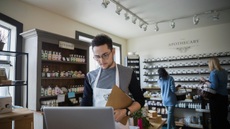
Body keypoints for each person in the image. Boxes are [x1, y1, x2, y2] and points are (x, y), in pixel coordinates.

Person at [81, 34, 144, 129]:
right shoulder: (91, 76)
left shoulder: (128, 73)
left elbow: (140, 100)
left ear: (113, 51)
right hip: (96, 125)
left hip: (119, 126)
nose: (101, 60)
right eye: (97, 57)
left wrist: (126, 111)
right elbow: (85, 105)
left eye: (105, 55)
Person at [200, 57, 230, 129]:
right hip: (224, 96)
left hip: (216, 98)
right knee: (223, 117)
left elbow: (214, 86)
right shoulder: (224, 71)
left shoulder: (213, 72)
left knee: (216, 118)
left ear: (211, 64)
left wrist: (205, 81)